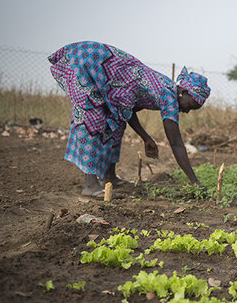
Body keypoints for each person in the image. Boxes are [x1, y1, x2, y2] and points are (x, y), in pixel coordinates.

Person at [48, 41, 209, 197]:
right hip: (88, 63)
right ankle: (90, 185)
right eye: (191, 105)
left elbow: (127, 111)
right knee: (93, 119)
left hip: (94, 63)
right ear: (185, 92)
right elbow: (176, 143)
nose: (187, 111)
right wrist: (195, 182)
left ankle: (109, 176)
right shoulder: (169, 96)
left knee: (116, 123)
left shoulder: (166, 89)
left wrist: (146, 138)